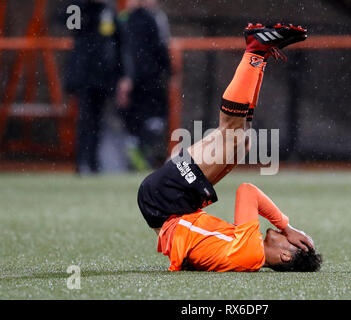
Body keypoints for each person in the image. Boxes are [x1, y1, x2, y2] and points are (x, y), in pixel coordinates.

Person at [137, 23, 322, 271]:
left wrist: (287, 226)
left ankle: (256, 51)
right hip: (172, 205)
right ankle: (260, 56)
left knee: (232, 135)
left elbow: (247, 191)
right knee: (242, 140)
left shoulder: (250, 253)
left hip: (166, 202)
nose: (289, 235)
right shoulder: (248, 254)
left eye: (293, 241)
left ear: (286, 256)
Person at [65, 0, 130, 174]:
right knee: (85, 120)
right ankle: (82, 163)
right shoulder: (78, 8)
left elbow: (119, 42)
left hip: (103, 78)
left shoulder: (108, 11)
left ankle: (93, 163)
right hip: (85, 77)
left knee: (97, 121)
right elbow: (70, 25)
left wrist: (122, 75)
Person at [116, 0, 171, 169]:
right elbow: (159, 48)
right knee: (147, 119)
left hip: (139, 79)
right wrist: (168, 70)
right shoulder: (139, 19)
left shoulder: (129, 18)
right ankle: (142, 158)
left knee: (139, 121)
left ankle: (140, 157)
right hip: (145, 80)